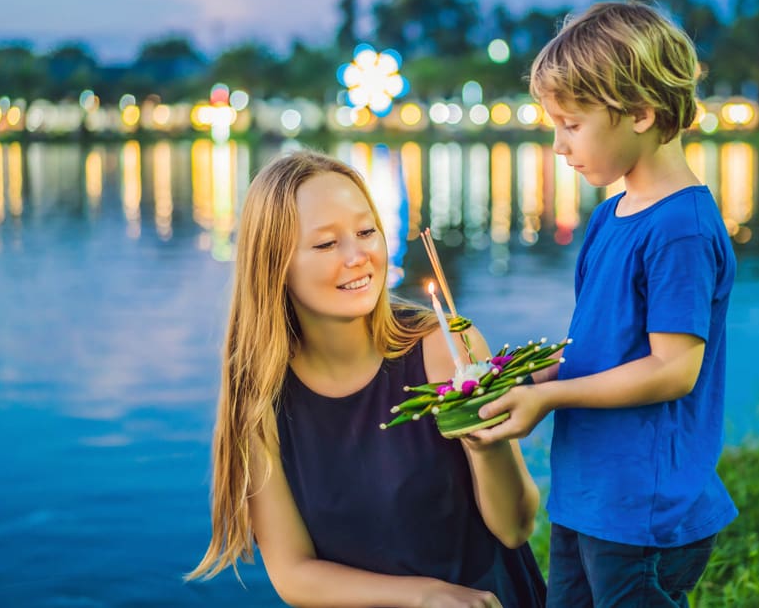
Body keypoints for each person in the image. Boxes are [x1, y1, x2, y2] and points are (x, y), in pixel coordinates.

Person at [187, 151, 546, 608]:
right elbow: (293, 573)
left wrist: (485, 442)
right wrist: (426, 597)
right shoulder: (259, 398)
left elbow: (516, 528)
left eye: (365, 231)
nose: (358, 257)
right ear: (274, 265)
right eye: (325, 244)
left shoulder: (446, 347)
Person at [471, 0, 738, 607]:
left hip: (641, 507)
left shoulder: (681, 228)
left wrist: (548, 397)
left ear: (640, 113)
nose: (560, 146)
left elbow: (674, 369)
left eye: (572, 123)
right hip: (586, 494)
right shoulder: (610, 216)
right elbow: (601, 350)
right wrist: (529, 372)